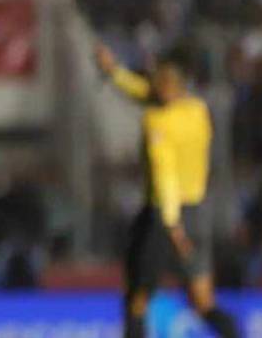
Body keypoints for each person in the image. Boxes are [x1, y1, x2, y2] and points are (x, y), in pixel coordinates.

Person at [95, 44, 239, 338]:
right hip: (197, 211)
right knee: (202, 302)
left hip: (164, 214)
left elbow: (165, 176)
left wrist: (172, 226)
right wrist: (115, 72)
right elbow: (146, 92)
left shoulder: (157, 121)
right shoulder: (198, 111)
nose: (153, 89)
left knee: (137, 300)